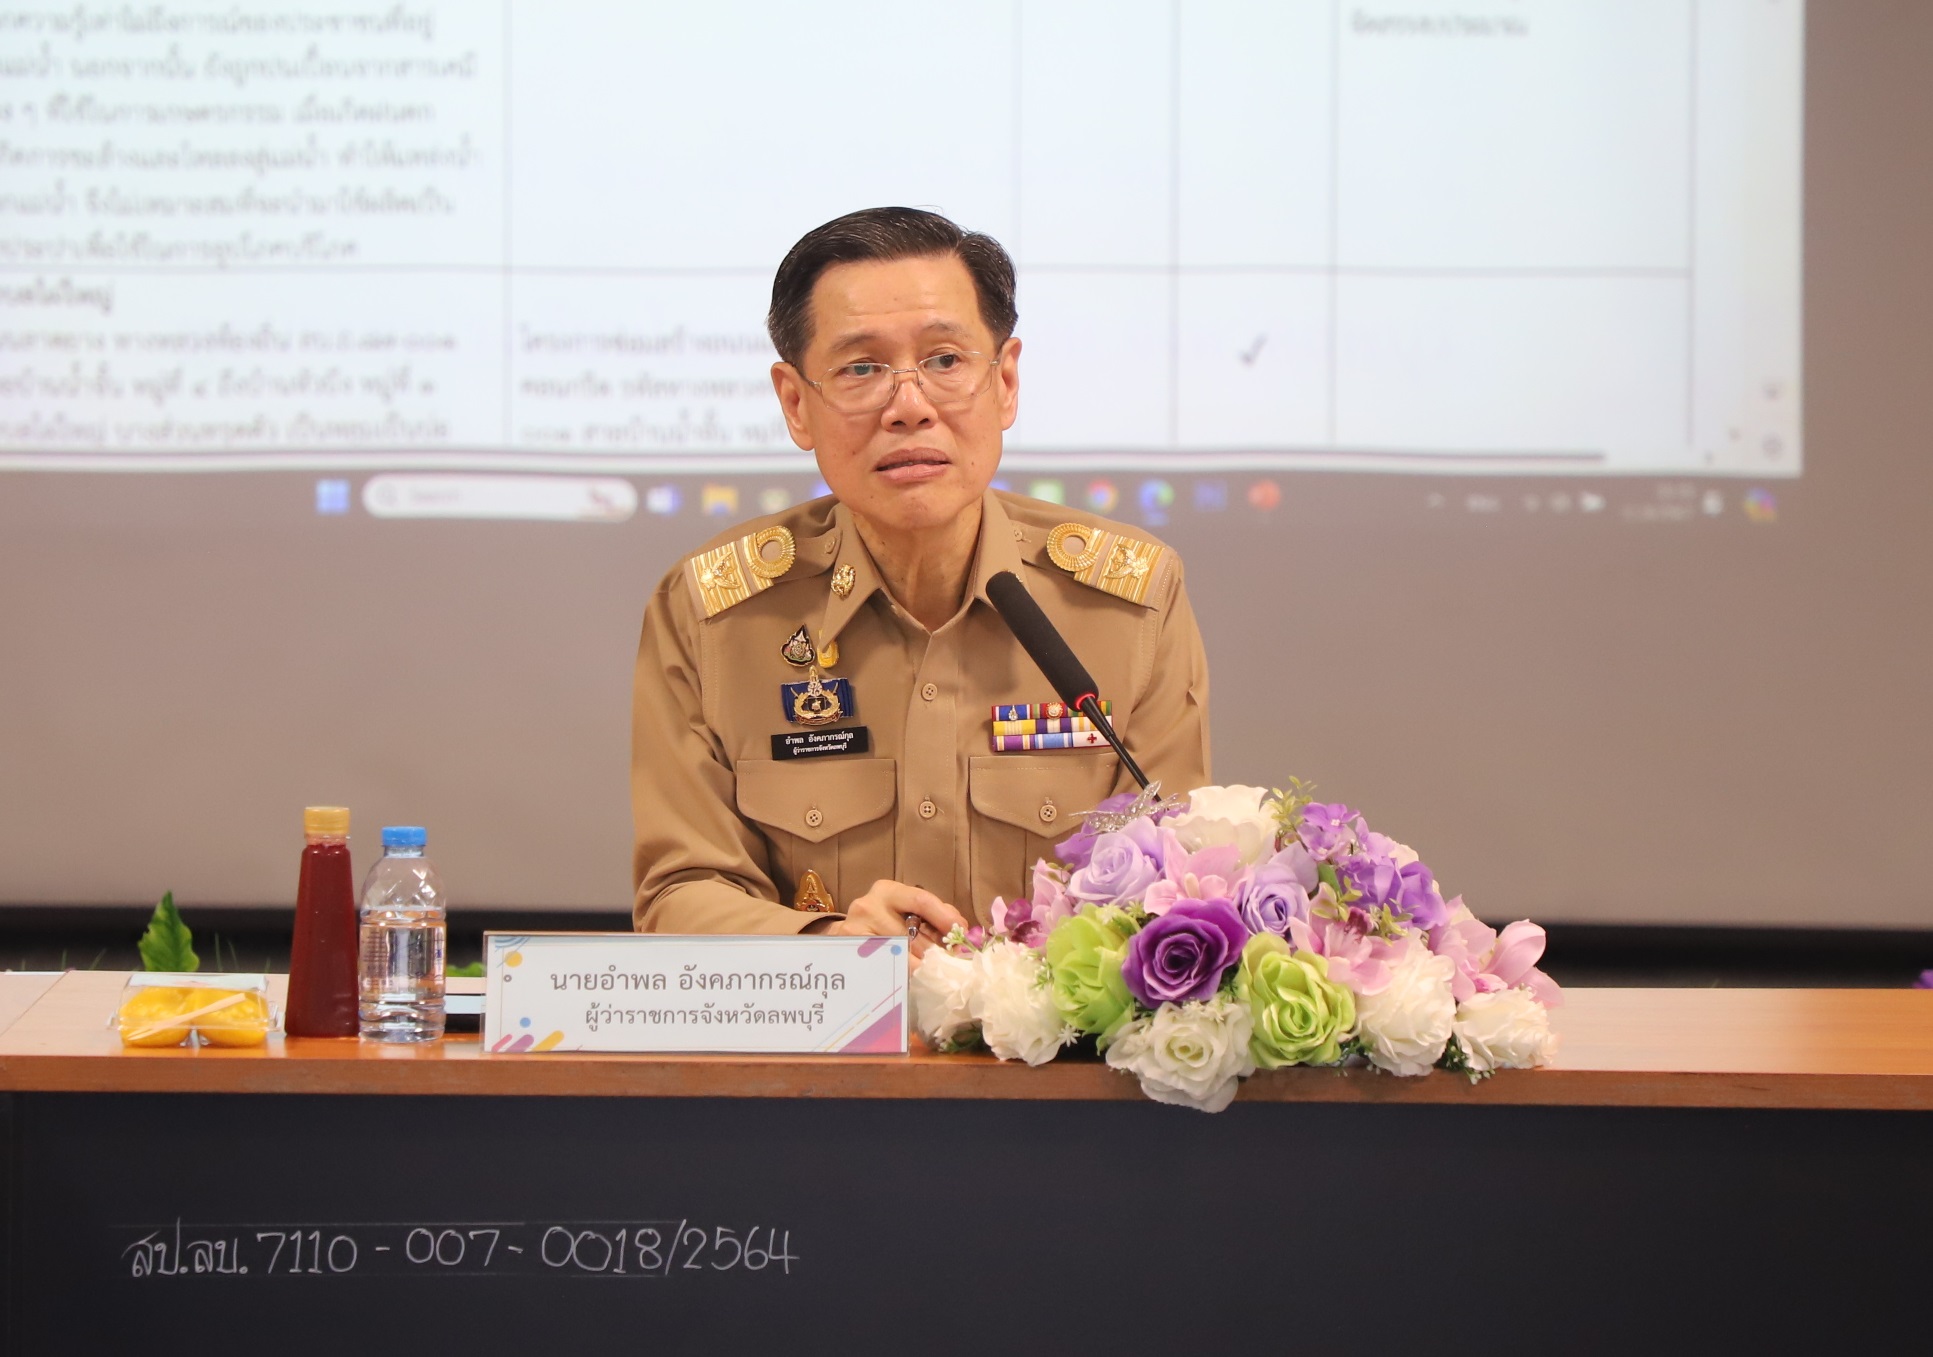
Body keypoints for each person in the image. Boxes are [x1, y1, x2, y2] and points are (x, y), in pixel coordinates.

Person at [630, 207, 1210, 955]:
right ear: (796, 404)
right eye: (861, 369)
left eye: (944, 361)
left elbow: (1173, 887)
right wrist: (837, 944)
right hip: (819, 1028)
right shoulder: (710, 614)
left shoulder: (1130, 604)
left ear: (1004, 382)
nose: (909, 408)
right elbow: (680, 893)